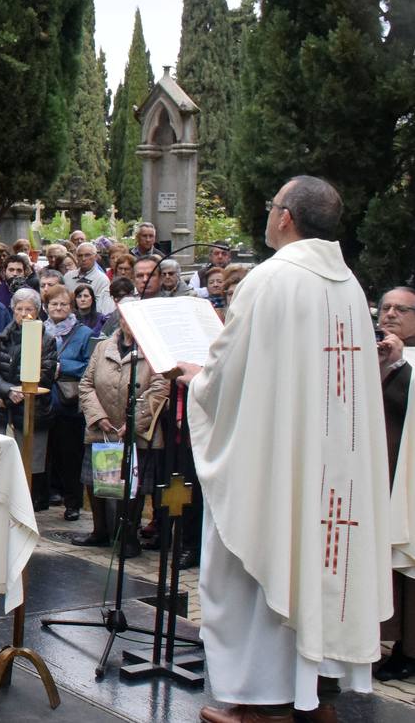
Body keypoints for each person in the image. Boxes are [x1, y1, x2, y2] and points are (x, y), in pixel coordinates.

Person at [181, 176, 391, 722]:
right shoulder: (348, 283)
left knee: (255, 566)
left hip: (276, 461)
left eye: (273, 205)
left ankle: (256, 703)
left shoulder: (271, 280)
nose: (270, 214)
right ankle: (311, 694)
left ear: (286, 218)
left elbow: (227, 370)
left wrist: (196, 380)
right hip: (332, 463)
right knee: (317, 566)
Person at [72, 298, 168, 556]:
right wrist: (97, 416)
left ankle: (128, 536)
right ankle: (100, 530)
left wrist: (134, 421)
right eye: (124, 317)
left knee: (132, 486)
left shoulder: (152, 349)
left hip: (136, 431)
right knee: (97, 482)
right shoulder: (103, 347)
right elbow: (86, 384)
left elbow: (160, 388)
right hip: (102, 428)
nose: (128, 324)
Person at [0, 288, 57, 509]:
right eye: (19, 309)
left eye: (29, 309)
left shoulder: (47, 340)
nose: (24, 314)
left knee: (30, 462)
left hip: (33, 408)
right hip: (5, 406)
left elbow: (45, 374)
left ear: (37, 312)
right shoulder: (2, 338)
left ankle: (30, 504)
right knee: (4, 461)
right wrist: (6, 390)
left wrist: (22, 391)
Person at [379, 286, 415, 681]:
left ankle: (409, 648)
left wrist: (401, 366)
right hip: (375, 475)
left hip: (406, 478)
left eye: (400, 309)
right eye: (385, 307)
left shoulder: (409, 360)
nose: (390, 314)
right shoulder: (371, 351)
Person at [42, 284, 94, 521]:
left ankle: (73, 502)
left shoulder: (84, 333)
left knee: (70, 455)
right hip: (43, 400)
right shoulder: (39, 330)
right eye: (54, 304)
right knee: (45, 453)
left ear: (71, 307)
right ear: (46, 306)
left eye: (63, 304)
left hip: (69, 403)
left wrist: (63, 367)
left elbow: (89, 366)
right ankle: (44, 498)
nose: (59, 308)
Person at [65, 241, 116, 315]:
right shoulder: (68, 277)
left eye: (87, 255)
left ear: (95, 257)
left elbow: (102, 308)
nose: (83, 259)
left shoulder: (102, 279)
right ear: (76, 257)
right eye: (80, 255)